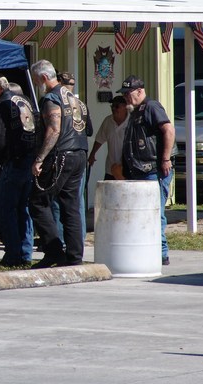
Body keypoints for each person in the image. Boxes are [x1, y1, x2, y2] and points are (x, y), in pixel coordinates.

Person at [30, 60, 88, 269]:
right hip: (80, 154)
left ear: (44, 77)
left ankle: (53, 252)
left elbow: (54, 130)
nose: (36, 84)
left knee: (37, 201)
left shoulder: (51, 98)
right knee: (70, 206)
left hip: (61, 155)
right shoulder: (75, 99)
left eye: (37, 80)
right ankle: (75, 257)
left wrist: (39, 159)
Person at [118, 75, 177, 266]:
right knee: (143, 213)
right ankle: (148, 249)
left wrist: (165, 159)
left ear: (139, 91)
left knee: (155, 212)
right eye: (124, 94)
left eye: (128, 93)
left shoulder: (152, 107)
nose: (125, 97)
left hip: (154, 170)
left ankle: (161, 253)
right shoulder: (136, 111)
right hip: (139, 171)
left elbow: (169, 130)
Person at [0, 72, 36, 266]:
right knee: (24, 209)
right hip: (30, 160)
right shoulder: (25, 100)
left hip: (13, 162)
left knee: (6, 209)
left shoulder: (1, 104)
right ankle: (25, 253)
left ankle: (12, 255)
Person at [51, 70, 93, 244]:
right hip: (81, 153)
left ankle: (60, 238)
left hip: (63, 154)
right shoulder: (81, 104)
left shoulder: (56, 101)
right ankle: (78, 238)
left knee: (56, 199)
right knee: (77, 200)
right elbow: (89, 130)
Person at [88, 95, 129, 180]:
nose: (113, 109)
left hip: (127, 169)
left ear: (125, 107)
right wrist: (92, 154)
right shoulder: (108, 121)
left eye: (117, 106)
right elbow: (99, 139)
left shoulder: (132, 122)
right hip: (110, 169)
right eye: (112, 106)